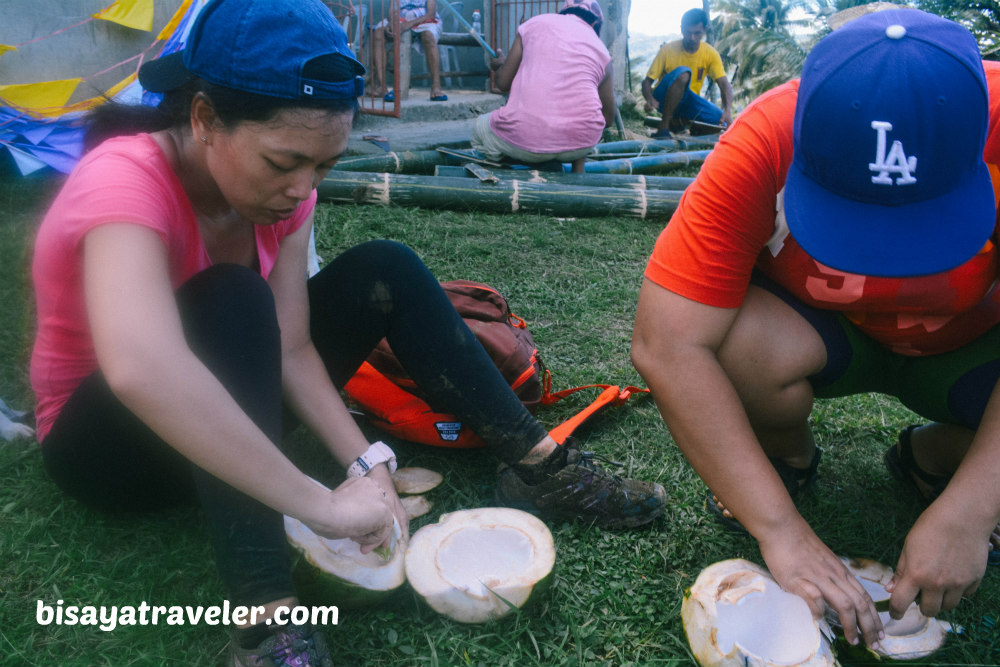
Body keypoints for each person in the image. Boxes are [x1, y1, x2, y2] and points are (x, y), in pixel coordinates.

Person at [29, 0, 666, 664]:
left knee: (382, 268)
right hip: (108, 450)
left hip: (223, 424)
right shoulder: (124, 178)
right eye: (284, 162)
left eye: (323, 166)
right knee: (231, 297)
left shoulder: (284, 193)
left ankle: (542, 468)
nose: (302, 188)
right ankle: (267, 619)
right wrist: (322, 505)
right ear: (204, 120)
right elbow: (141, 367)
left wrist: (367, 462)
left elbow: (292, 344)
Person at [631, 7, 1000, 653]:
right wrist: (780, 528)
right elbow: (668, 343)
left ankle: (936, 459)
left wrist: (972, 509)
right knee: (732, 343)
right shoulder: (765, 135)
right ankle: (787, 458)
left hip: (969, 348)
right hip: (827, 336)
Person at [470, 0, 614, 173]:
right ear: (594, 24)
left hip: (526, 138)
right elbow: (608, 119)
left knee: (479, 129)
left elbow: (502, 83)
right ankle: (574, 173)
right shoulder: (602, 51)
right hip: (580, 145)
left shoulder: (532, 25)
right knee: (583, 116)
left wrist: (499, 66)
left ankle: (507, 168)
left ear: (564, 12)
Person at [640, 8, 733, 139]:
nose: (692, 38)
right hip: (663, 98)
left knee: (721, 120)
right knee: (683, 73)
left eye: (697, 33)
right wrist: (650, 99)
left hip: (689, 101)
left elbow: (724, 84)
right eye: (687, 32)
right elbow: (646, 82)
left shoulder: (710, 53)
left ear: (705, 30)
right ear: (681, 28)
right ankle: (664, 127)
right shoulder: (668, 50)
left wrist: (727, 110)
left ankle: (678, 123)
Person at [369, 0, 448, 102]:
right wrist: (392, 22)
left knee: (428, 36)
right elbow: (392, 9)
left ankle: (436, 86)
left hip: (424, 19)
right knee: (378, 33)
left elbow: (431, 13)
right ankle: (382, 86)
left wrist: (409, 24)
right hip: (400, 20)